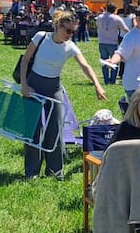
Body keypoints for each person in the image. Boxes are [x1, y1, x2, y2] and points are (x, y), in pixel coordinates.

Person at [20, 10, 107, 179]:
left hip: (54, 88)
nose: (70, 35)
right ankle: (31, 172)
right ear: (58, 26)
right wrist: (24, 85)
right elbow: (25, 61)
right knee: (32, 130)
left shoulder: (70, 47)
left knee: (56, 129)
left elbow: (86, 66)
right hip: (33, 86)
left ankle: (55, 172)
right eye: (68, 31)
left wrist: (97, 85)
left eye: (74, 32)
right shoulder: (41, 37)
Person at [101, 4, 140, 101]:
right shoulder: (131, 36)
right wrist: (112, 61)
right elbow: (120, 53)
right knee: (138, 115)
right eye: (139, 20)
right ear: (135, 18)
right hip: (136, 84)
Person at [95, 3, 129, 85]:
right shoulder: (116, 18)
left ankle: (106, 80)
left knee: (104, 61)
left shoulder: (99, 17)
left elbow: (97, 26)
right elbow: (124, 28)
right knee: (114, 62)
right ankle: (112, 80)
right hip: (112, 42)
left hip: (102, 41)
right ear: (115, 10)